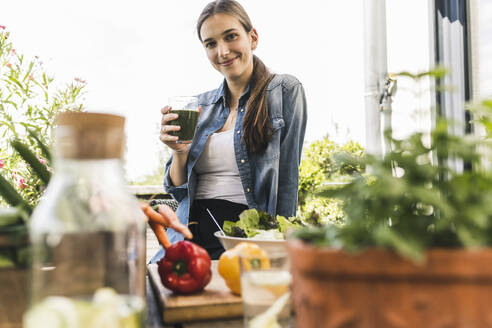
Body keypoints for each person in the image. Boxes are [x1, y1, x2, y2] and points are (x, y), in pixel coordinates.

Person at [153, 0, 307, 261]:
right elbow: (178, 190)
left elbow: (287, 181)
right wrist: (179, 153)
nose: (222, 51)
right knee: (151, 292)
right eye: (210, 44)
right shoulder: (200, 106)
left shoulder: (283, 91)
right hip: (186, 234)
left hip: (239, 237)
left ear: (253, 37)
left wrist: (279, 250)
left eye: (231, 36)